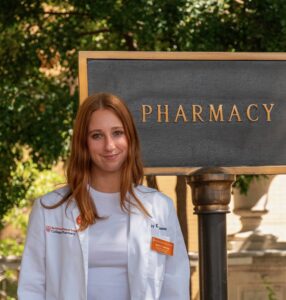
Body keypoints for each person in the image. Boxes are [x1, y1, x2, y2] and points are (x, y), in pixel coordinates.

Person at [18, 93, 190, 300]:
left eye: (117, 133)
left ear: (130, 137)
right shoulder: (49, 210)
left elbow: (175, 285)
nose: (109, 146)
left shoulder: (160, 208)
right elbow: (32, 287)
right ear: (84, 143)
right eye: (97, 136)